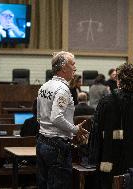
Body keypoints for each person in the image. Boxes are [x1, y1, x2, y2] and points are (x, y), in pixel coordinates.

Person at [36, 51, 88, 189]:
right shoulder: (63, 89)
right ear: (64, 68)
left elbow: (39, 116)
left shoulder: (44, 86)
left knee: (43, 184)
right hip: (57, 147)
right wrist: (75, 129)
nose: (75, 68)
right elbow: (56, 117)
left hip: (42, 142)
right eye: (73, 64)